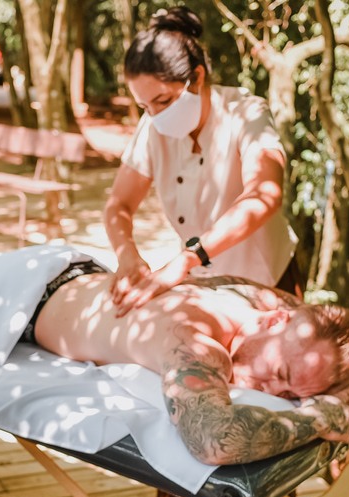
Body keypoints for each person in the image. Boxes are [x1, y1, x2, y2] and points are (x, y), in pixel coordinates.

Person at [24, 261, 349, 497]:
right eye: (281, 372)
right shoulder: (197, 342)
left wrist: (340, 392)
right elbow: (212, 440)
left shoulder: (271, 309)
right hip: (26, 300)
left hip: (83, 277)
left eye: (291, 396)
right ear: (276, 321)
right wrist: (318, 418)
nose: (274, 392)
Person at [104, 6, 299, 317]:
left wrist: (187, 259)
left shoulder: (247, 112)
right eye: (144, 106)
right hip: (204, 285)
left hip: (268, 280)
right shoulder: (151, 126)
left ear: (196, 77)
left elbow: (265, 195)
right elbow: (119, 205)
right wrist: (127, 255)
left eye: (163, 101)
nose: (155, 115)